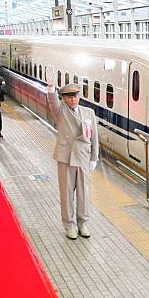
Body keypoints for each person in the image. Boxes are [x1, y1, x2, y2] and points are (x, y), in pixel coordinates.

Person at [47, 82, 99, 240]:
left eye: (75, 96)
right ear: (63, 99)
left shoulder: (88, 112)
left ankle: (83, 223)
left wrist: (94, 158)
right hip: (66, 157)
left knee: (83, 192)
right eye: (69, 97)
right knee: (67, 193)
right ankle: (69, 225)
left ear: (79, 97)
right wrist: (50, 90)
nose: (73, 100)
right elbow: (53, 103)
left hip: (83, 156)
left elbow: (94, 136)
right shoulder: (60, 111)